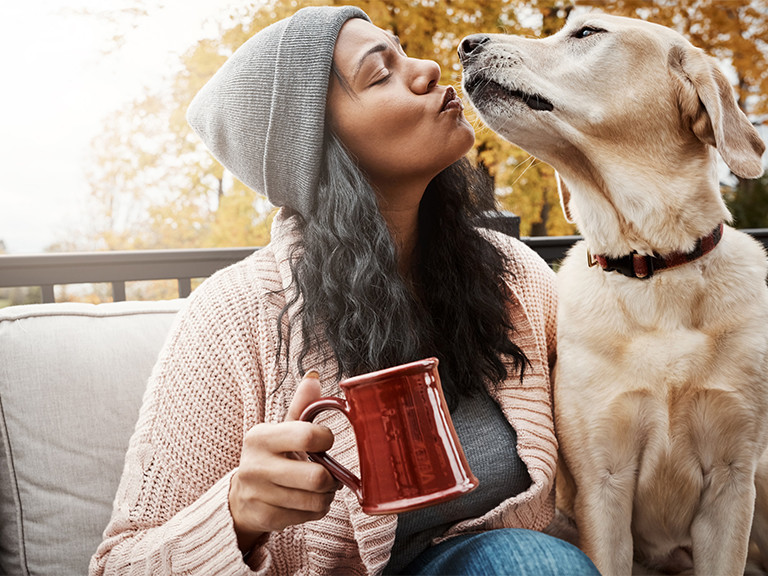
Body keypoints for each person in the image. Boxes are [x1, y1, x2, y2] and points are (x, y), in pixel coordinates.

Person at [90, 5, 599, 575]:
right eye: (379, 74)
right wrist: (237, 512)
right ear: (319, 150)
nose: (429, 68)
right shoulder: (236, 315)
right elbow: (121, 564)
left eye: (404, 51)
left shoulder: (515, 275)